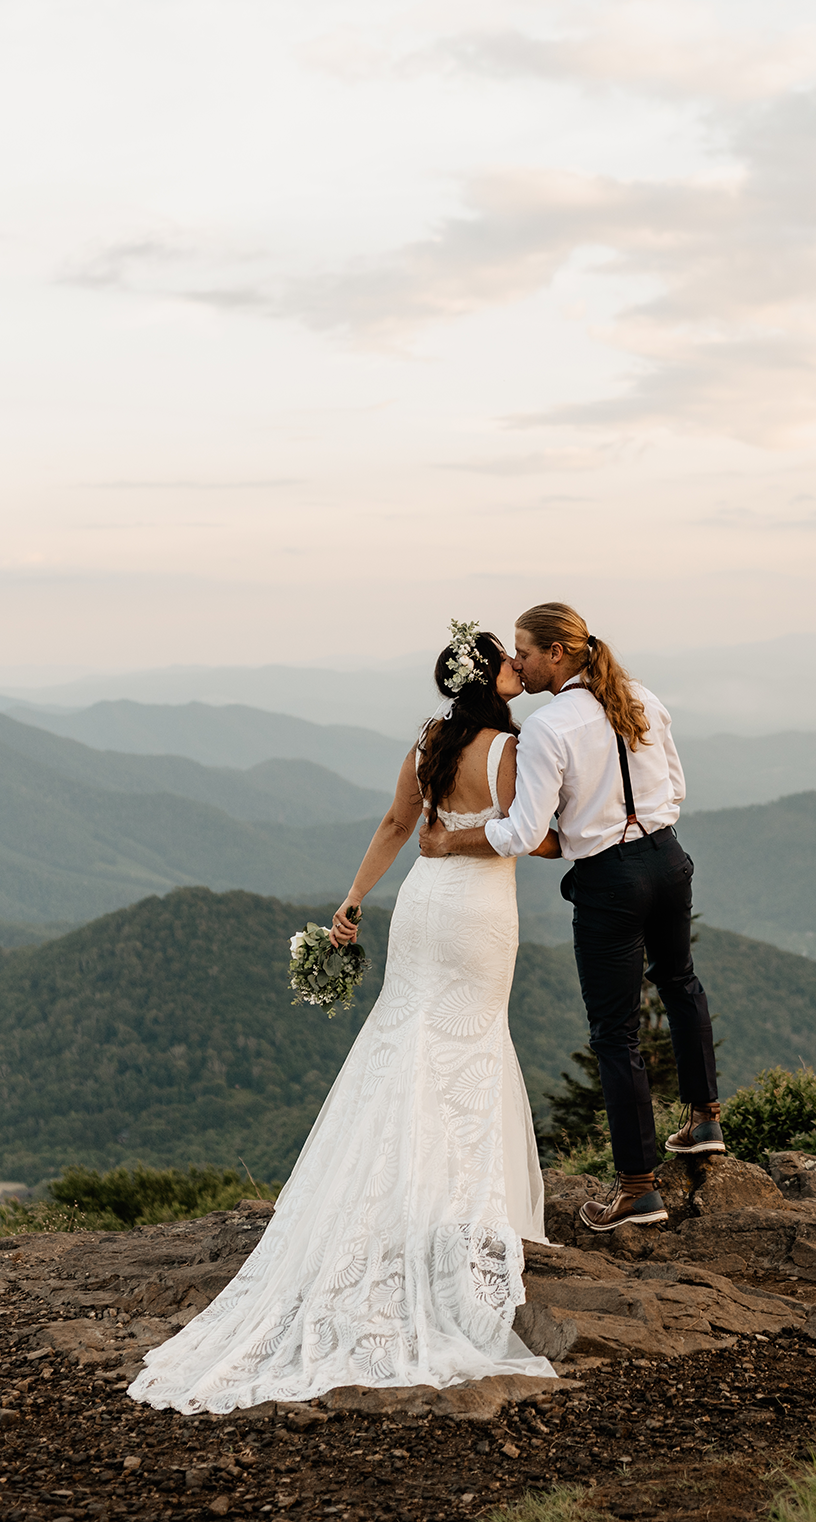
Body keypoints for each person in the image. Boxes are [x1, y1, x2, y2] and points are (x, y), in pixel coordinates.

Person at [128, 624, 561, 1415]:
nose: (514, 665)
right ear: (487, 676)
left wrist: (353, 899)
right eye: (505, 657)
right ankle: (455, 1211)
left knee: (407, 1040)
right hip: (477, 912)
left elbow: (397, 826)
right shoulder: (511, 749)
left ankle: (390, 1195)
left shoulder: (430, 741)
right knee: (466, 1045)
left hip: (421, 907)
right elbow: (530, 836)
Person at [419, 602, 721, 1233]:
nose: (518, 663)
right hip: (669, 859)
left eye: (525, 652)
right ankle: (704, 1121)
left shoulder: (547, 727)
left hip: (610, 881)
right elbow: (676, 787)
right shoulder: (641, 697)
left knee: (615, 1034)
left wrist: (451, 841)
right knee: (680, 983)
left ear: (556, 653)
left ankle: (638, 1189)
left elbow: (521, 832)